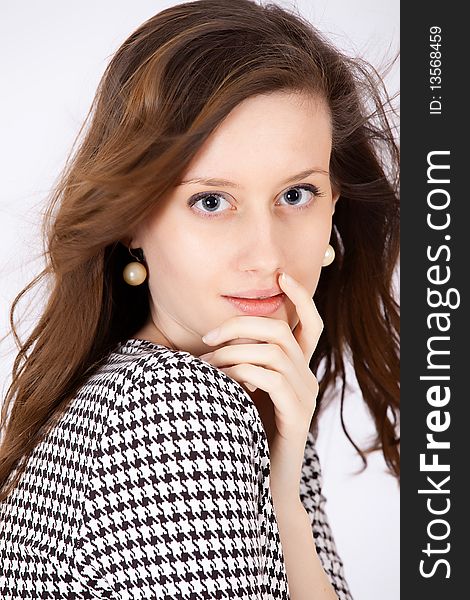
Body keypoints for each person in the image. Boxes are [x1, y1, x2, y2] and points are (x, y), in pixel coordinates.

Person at [0, 0, 399, 598]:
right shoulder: (170, 412)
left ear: (335, 202)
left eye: (297, 194)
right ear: (133, 217)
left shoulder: (234, 393)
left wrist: (284, 487)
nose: (265, 254)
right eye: (211, 201)